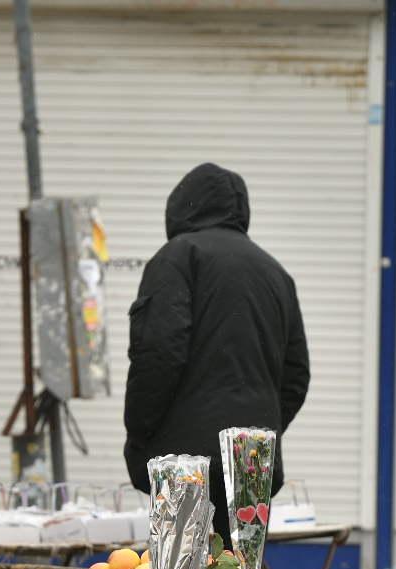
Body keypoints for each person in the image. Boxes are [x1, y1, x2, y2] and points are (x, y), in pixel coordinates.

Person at [122, 163, 310, 542]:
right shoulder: (275, 273)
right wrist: (260, 431)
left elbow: (158, 355)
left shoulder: (177, 257)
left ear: (180, 209)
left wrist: (140, 434)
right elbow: (296, 376)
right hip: (253, 459)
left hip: (184, 463)